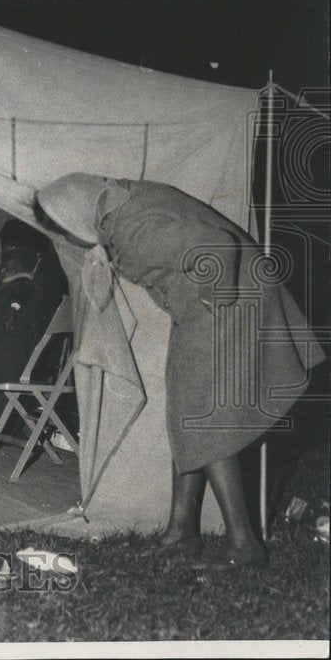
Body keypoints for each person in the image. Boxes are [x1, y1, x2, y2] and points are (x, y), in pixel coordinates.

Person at [35, 172, 324, 571]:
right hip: (224, 305)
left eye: (67, 230)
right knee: (185, 414)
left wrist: (210, 303)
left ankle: (243, 545)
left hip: (227, 307)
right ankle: (181, 532)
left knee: (200, 420)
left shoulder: (135, 229)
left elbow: (217, 247)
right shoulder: (123, 202)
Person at [0, 220, 69, 441]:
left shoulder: (47, 267)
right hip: (6, 343)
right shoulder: (18, 268)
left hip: (29, 350)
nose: (6, 252)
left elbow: (29, 314)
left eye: (10, 247)